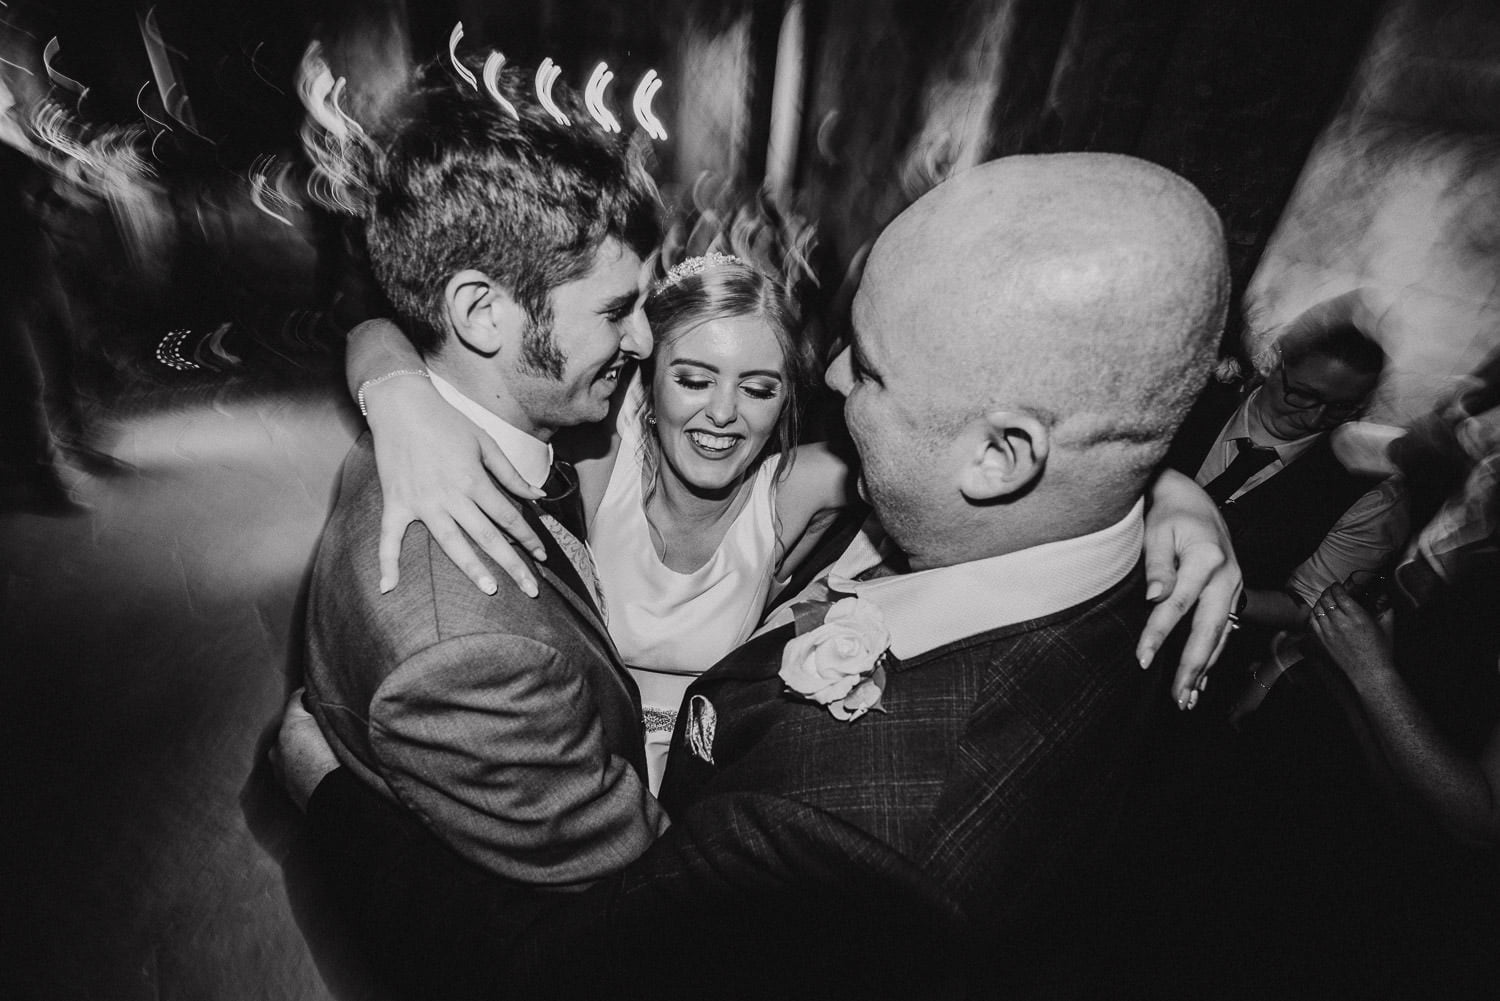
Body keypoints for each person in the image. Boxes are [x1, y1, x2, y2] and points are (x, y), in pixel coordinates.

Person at [282, 151, 1233, 998]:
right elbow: (419, 330)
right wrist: (399, 393)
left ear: (1001, 456)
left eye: (868, 371)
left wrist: (1166, 488)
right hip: (578, 772)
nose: (834, 380)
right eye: (690, 375)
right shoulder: (591, 448)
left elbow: (572, 964)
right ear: (645, 391)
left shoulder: (853, 829)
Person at [300, 57, 670, 887]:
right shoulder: (468, 652)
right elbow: (627, 894)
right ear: (479, 312)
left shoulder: (460, 418)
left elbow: (373, 328)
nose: (644, 341)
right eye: (617, 310)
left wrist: (385, 373)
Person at [1166, 289, 1407, 633]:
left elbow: (1308, 606)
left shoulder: (1372, 496)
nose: (1315, 417)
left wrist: (1220, 594)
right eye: (1304, 394)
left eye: (1341, 407)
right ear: (1274, 363)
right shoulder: (1188, 397)